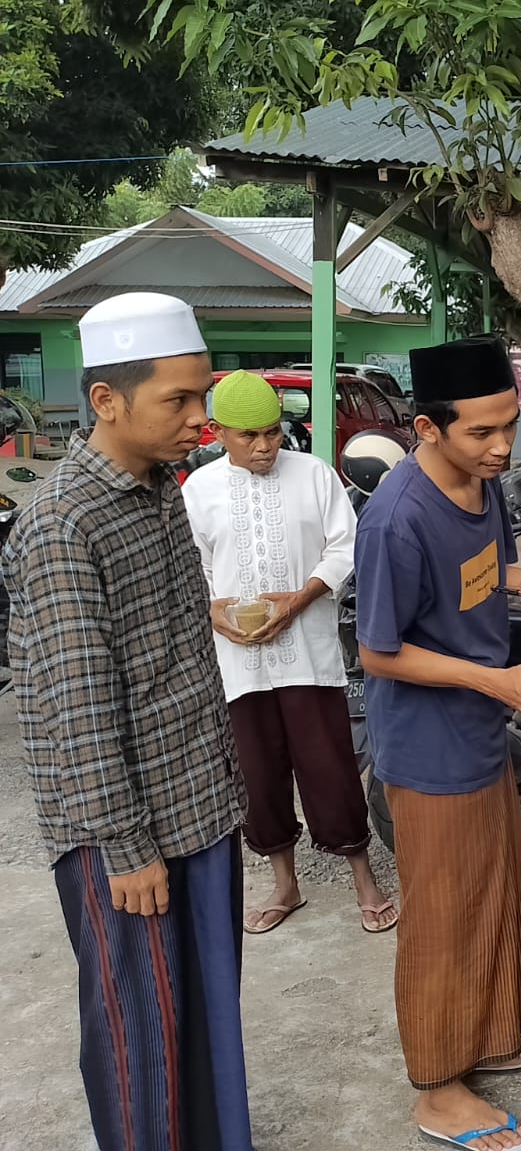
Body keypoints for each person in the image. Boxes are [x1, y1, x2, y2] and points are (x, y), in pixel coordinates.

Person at [2, 292, 251, 1150]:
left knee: (207, 1022)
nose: (200, 419)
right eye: (178, 401)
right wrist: (125, 845)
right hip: (127, 836)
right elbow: (78, 703)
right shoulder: (62, 522)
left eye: (202, 396)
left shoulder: (157, 490)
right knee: (141, 1041)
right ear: (106, 400)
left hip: (197, 805)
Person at [355, 333, 521, 1151]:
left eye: (508, 425)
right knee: (443, 916)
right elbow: (377, 648)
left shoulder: (485, 489)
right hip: (427, 745)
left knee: (493, 885)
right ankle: (438, 1092)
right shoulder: (396, 518)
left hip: (478, 729)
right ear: (426, 428)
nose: (500, 446)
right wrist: (500, 682)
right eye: (480, 433)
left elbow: (474, 571)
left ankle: (480, 1035)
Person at [184, 370, 397, 936]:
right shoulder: (197, 490)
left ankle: (363, 877)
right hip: (237, 662)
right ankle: (285, 883)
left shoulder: (314, 476)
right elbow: (192, 572)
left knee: (329, 765)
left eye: (273, 434)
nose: (264, 447)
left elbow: (345, 546)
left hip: (307, 652)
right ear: (218, 432)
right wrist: (217, 616)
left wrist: (299, 599)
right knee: (258, 773)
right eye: (248, 435)